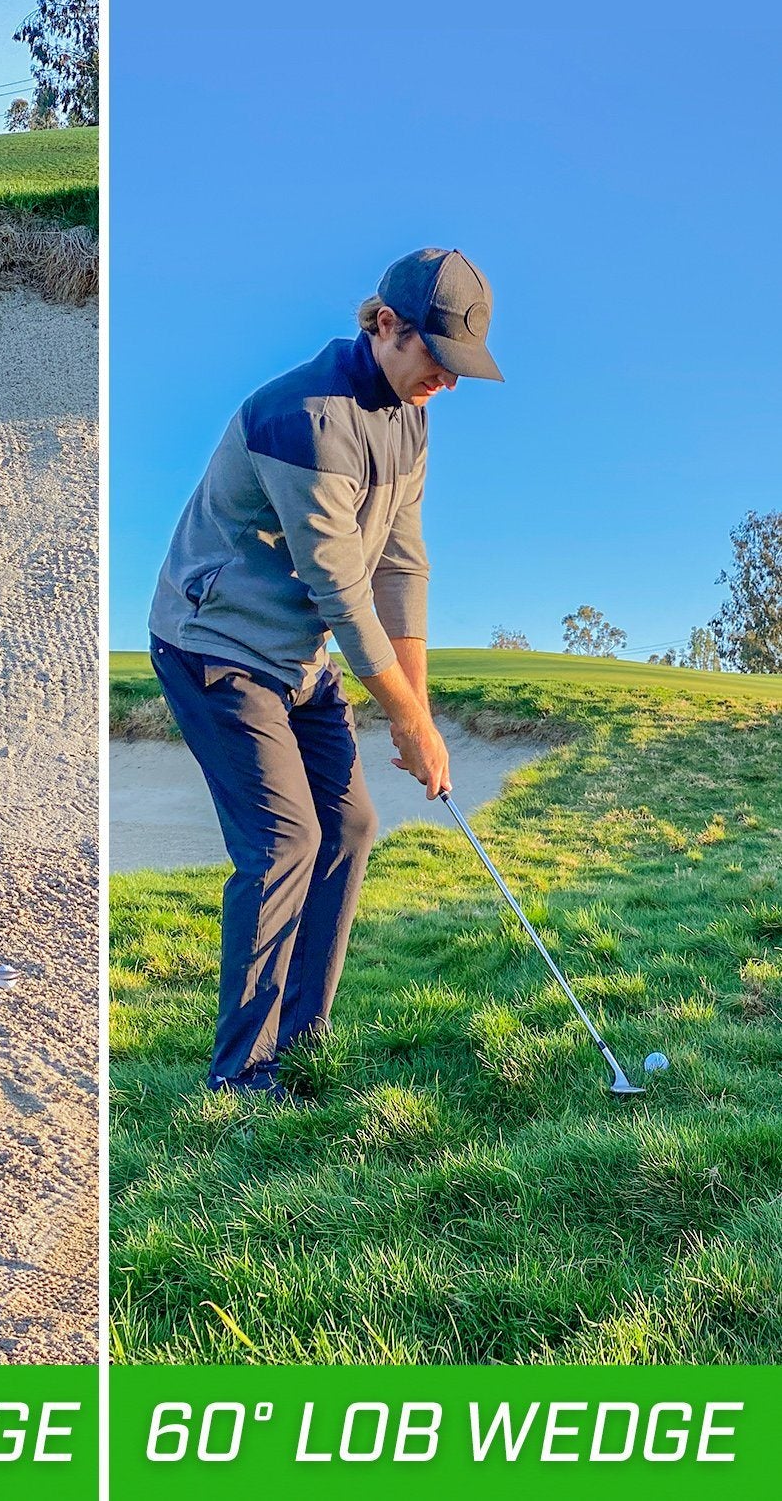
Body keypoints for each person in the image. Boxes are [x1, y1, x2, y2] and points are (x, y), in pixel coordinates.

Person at [148, 248, 502, 1099]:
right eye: (437, 362)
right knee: (283, 845)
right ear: (386, 324)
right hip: (216, 647)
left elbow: (400, 569)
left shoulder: (411, 418)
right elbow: (344, 595)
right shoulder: (302, 419)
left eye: (460, 371)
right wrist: (410, 727)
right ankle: (240, 1074)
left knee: (347, 829)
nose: (446, 385)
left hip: (298, 663)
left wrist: (417, 707)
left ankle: (302, 1043)